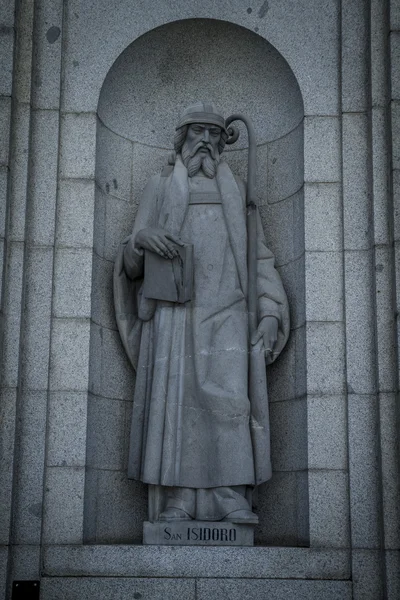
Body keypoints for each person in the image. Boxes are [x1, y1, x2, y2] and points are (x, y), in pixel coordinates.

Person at [114, 102, 289, 524]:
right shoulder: (158, 189)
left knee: (230, 404)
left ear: (222, 145)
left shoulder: (239, 194)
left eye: (214, 135)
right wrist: (142, 239)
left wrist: (269, 312)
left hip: (228, 313)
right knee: (175, 410)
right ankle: (179, 500)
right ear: (182, 139)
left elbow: (259, 258)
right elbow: (132, 265)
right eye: (198, 134)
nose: (206, 143)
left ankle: (231, 496)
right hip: (175, 316)